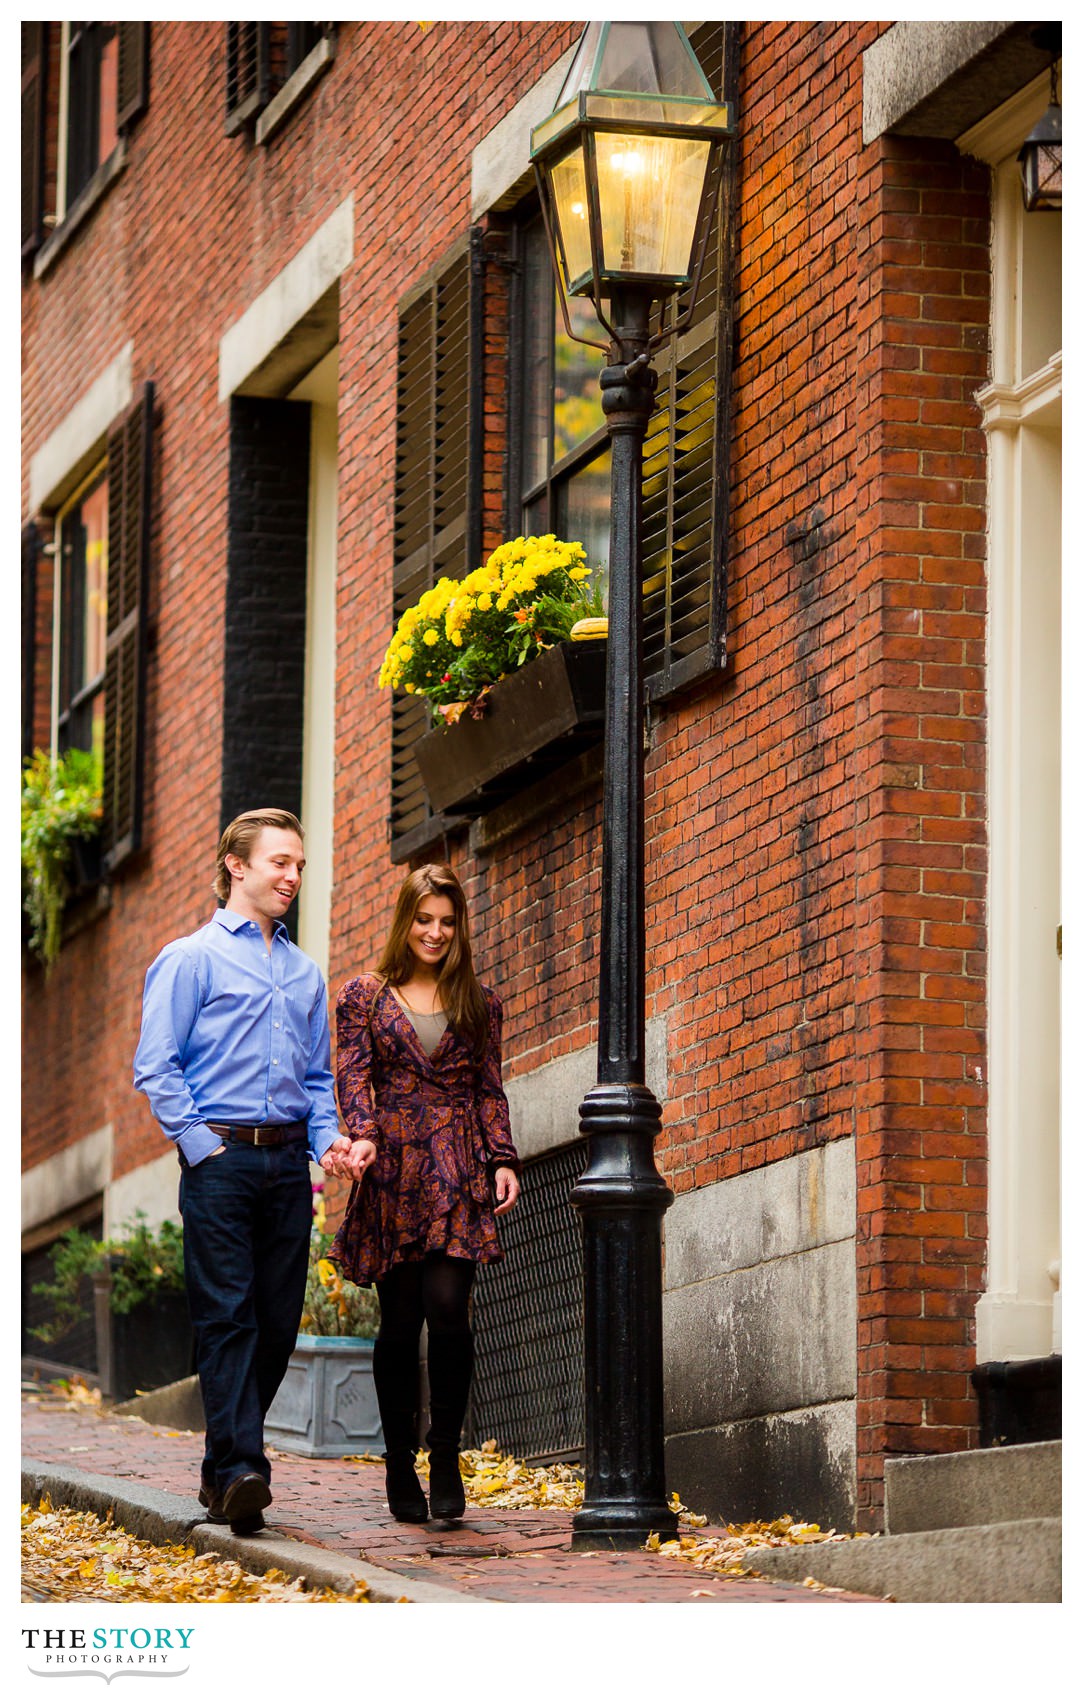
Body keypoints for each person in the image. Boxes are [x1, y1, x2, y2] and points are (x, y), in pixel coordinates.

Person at [133, 808, 355, 1536]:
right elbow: (157, 1067)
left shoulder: (304, 972)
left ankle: (222, 1468)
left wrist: (328, 1141)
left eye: (298, 865)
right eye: (279, 863)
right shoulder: (190, 958)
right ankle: (242, 1471)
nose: (293, 876)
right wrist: (202, 1147)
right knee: (226, 1317)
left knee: (278, 1323)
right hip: (222, 1161)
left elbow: (318, 1079)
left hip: (289, 1163)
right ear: (237, 865)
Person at [331, 864, 520, 1523]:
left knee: (448, 1306)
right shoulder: (363, 996)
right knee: (400, 1319)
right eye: (423, 920)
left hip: (458, 1167)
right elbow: (353, 1080)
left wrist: (502, 1157)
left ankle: (443, 1456)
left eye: (446, 921)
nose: (435, 932)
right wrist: (360, 1136)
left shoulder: (479, 1002)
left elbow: (487, 1088)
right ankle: (396, 1462)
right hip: (395, 1170)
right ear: (403, 921)